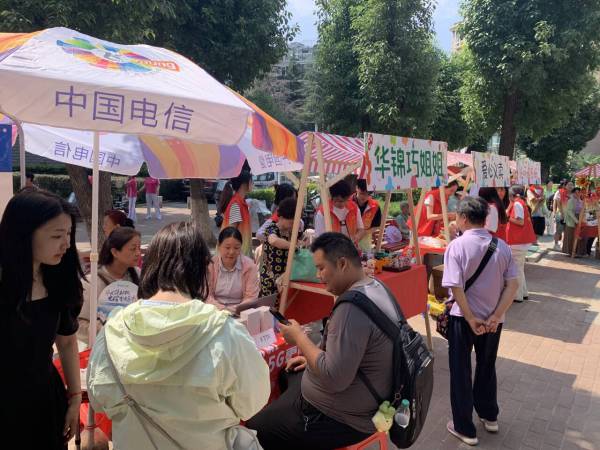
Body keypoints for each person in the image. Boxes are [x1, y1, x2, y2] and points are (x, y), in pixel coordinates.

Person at [87, 221, 270, 450]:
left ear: (151, 265)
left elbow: (98, 398)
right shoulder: (225, 331)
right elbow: (251, 402)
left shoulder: (113, 330)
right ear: (201, 270)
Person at [247, 232, 400, 449]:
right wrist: (312, 357)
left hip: (343, 417)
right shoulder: (377, 287)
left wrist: (300, 338)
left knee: (254, 430)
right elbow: (350, 351)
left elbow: (335, 378)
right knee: (288, 372)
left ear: (342, 264)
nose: (318, 276)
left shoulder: (351, 309)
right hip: (365, 398)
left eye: (321, 268)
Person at [0, 189, 84, 449]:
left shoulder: (59, 278)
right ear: (23, 234)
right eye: (57, 236)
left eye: (69, 234)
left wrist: (74, 399)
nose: (66, 244)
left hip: (45, 401)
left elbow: (67, 342)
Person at [442, 197, 519, 446]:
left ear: (463, 218)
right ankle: (489, 415)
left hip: (463, 319)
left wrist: (470, 317)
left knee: (460, 370)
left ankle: (465, 427)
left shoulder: (456, 246)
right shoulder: (502, 246)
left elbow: (455, 286)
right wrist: (496, 315)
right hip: (494, 321)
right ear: (485, 219)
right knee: (487, 366)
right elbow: (513, 285)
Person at [78, 227, 141, 346]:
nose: (138, 253)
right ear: (115, 252)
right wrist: (106, 330)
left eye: (139, 248)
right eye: (133, 249)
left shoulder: (139, 274)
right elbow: (79, 324)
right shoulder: (91, 282)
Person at [207, 227, 259, 311]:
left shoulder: (250, 266)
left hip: (240, 311)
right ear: (219, 246)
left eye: (236, 248)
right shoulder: (211, 265)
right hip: (214, 310)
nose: (231, 252)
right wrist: (222, 309)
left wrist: (234, 310)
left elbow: (251, 297)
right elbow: (206, 294)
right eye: (227, 247)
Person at [259, 198, 297, 297]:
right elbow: (274, 240)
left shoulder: (290, 233)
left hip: (283, 278)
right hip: (269, 278)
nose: (293, 225)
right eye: (291, 222)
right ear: (282, 217)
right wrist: (293, 246)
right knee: (269, 304)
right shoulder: (271, 228)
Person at [506, 186, 536, 303]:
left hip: (518, 241)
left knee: (517, 269)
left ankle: (518, 295)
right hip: (520, 241)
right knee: (519, 268)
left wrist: (508, 218)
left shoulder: (517, 204)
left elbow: (520, 221)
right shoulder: (520, 202)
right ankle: (523, 292)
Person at [314, 180, 365, 245]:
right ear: (332, 197)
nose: (343, 203)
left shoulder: (354, 208)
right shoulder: (323, 212)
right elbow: (319, 238)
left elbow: (361, 229)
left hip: (351, 248)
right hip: (331, 249)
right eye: (339, 201)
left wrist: (357, 237)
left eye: (346, 200)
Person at [219, 171, 254, 258]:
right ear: (244, 184)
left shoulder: (241, 203)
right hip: (235, 257)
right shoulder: (236, 204)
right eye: (251, 181)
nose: (253, 184)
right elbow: (230, 233)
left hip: (241, 255)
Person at [353, 179, 382, 253]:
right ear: (357, 188)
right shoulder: (347, 203)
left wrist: (364, 232)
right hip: (348, 241)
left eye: (368, 194)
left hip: (365, 243)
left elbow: (376, 226)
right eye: (362, 193)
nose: (364, 197)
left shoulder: (375, 206)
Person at [562, 187, 586, 256]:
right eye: (576, 192)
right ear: (573, 193)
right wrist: (576, 220)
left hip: (580, 219)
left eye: (579, 192)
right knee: (571, 236)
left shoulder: (581, 201)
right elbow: (569, 212)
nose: (577, 194)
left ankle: (577, 252)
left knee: (579, 235)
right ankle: (570, 252)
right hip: (571, 220)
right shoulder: (570, 201)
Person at [553, 181, 573, 251]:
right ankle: (556, 244)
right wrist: (561, 214)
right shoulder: (559, 192)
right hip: (560, 215)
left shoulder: (573, 193)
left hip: (569, 216)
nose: (571, 186)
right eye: (569, 185)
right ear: (565, 185)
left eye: (572, 185)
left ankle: (563, 244)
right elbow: (558, 203)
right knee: (559, 230)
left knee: (566, 231)